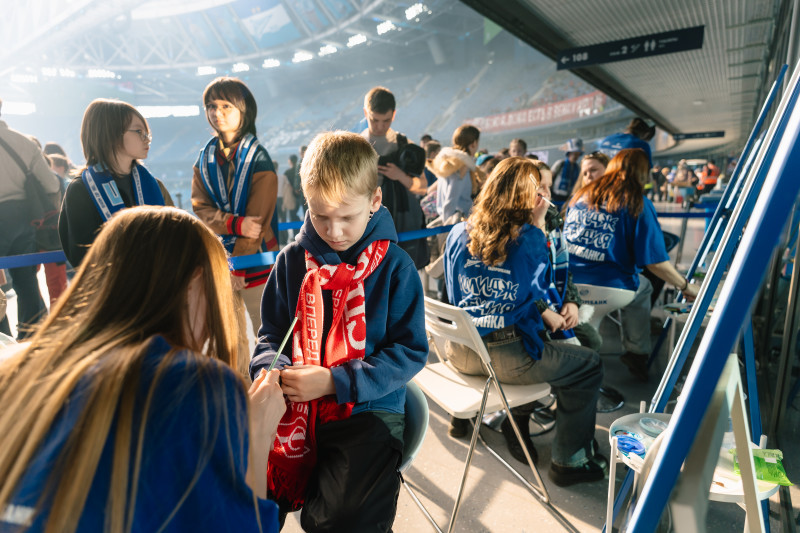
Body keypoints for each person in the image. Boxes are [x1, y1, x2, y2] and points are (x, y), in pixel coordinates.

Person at [0, 206, 286, 532]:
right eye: (218, 289)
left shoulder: (17, 370)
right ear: (194, 281)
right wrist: (258, 432)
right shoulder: (191, 384)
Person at [251, 131, 427, 531]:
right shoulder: (292, 261)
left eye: (347, 217)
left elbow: (410, 352)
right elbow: (272, 334)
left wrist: (334, 381)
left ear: (375, 201)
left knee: (343, 517)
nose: (333, 231)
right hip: (295, 405)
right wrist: (272, 370)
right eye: (320, 216)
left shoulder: (396, 268)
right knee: (248, 492)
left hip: (367, 407)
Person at [443, 156, 606, 487]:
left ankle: (519, 424)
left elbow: (452, 290)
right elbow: (539, 293)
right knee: (589, 364)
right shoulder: (530, 237)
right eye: (538, 190)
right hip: (506, 356)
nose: (543, 196)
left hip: (459, 350)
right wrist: (539, 226)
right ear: (525, 195)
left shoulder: (458, 231)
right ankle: (570, 461)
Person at [563, 149, 699, 382]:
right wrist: (686, 286)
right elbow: (655, 263)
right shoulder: (637, 203)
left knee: (587, 335)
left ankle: (580, 373)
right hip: (610, 288)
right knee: (644, 287)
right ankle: (636, 352)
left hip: (569, 286)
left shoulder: (579, 197)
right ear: (642, 173)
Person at [191, 77, 279, 362]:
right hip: (221, 260)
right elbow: (200, 208)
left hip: (256, 261)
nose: (217, 112)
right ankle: (239, 383)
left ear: (244, 110)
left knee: (268, 333)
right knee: (231, 338)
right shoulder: (204, 158)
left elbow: (257, 223)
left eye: (226, 105)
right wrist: (234, 224)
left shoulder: (259, 158)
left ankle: (272, 383)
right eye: (211, 106)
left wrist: (238, 265)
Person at [59, 99, 173, 267]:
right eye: (139, 131)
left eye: (147, 133)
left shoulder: (154, 185)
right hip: (112, 282)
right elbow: (82, 258)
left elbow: (176, 236)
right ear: (112, 134)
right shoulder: (81, 190)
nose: (147, 139)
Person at [0, 98, 61, 338]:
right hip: (24, 219)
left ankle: (2, 337)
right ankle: (29, 339)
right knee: (26, 281)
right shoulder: (24, 143)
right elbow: (51, 185)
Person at [360, 86, 429, 269]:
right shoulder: (355, 146)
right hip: (366, 226)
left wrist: (400, 176)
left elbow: (423, 187)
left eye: (386, 120)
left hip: (403, 224)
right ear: (366, 113)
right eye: (374, 120)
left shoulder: (405, 145)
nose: (380, 126)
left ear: (394, 115)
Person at [430, 124, 484, 221]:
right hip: (459, 219)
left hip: (451, 217)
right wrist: (448, 224)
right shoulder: (461, 166)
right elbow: (451, 199)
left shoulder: (449, 162)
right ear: (473, 143)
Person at [550, 138, 584, 203]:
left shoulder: (577, 168)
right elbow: (550, 178)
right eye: (574, 153)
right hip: (555, 197)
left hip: (568, 199)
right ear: (569, 153)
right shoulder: (560, 163)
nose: (576, 156)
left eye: (578, 154)